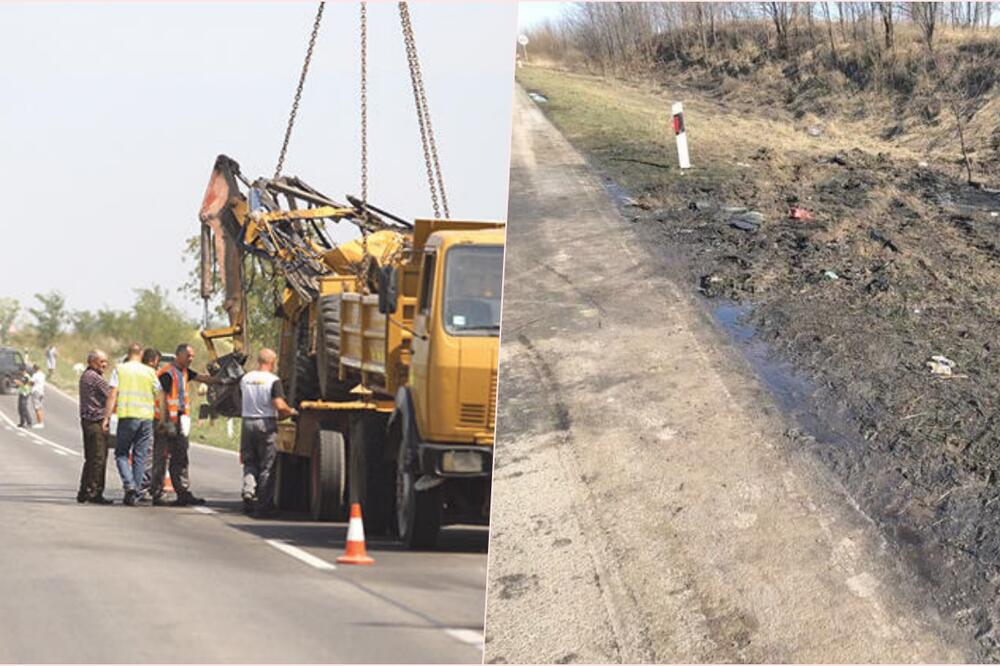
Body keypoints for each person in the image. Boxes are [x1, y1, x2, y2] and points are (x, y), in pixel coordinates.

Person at [150, 343, 219, 507]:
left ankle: (183, 492)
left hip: (179, 421)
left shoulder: (184, 372)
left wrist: (222, 380)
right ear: (179, 356)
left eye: (192, 356)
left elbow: (203, 378)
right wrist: (164, 422)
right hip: (165, 422)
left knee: (181, 456)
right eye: (189, 356)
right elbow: (161, 398)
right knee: (161, 457)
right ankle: (157, 492)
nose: (191, 359)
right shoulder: (167, 373)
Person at [239, 348, 296, 517]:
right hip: (265, 423)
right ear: (272, 362)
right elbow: (279, 405)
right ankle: (264, 506)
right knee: (267, 465)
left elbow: (240, 398)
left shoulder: (246, 378)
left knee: (249, 461)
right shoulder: (273, 380)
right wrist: (290, 411)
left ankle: (248, 490)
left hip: (247, 422)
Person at [103, 344, 161, 506]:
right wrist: (162, 418)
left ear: (128, 354)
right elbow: (160, 394)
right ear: (141, 354)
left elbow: (112, 394)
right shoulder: (149, 371)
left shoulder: (120, 369)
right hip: (146, 419)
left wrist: (106, 417)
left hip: (128, 416)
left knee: (121, 453)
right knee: (140, 457)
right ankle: (134, 493)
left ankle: (129, 484)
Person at [77, 350, 112, 505]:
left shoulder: (87, 376)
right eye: (101, 361)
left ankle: (84, 491)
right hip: (95, 422)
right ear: (92, 362)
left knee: (91, 458)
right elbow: (112, 395)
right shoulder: (94, 378)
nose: (104, 365)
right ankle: (94, 492)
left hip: (88, 421)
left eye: (105, 362)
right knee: (98, 458)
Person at [29, 364, 46, 429]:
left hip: (36, 391)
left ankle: (40, 423)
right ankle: (41, 421)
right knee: (40, 407)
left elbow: (31, 383)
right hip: (41, 391)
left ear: (34, 369)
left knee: (37, 408)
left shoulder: (35, 375)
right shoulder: (43, 375)